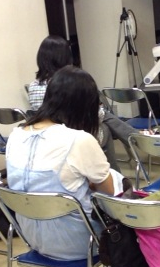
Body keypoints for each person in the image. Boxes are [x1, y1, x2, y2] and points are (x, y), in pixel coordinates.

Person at [6, 65, 115, 261]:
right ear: (85, 106)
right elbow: (109, 194)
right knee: (116, 182)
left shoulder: (15, 135)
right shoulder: (79, 139)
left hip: (32, 239)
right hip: (82, 243)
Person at [27, 35, 138, 171]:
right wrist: (100, 110)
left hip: (45, 138)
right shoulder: (68, 83)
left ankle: (135, 138)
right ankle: (118, 169)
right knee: (104, 125)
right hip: (71, 136)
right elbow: (90, 117)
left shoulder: (32, 86)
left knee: (103, 117)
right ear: (64, 57)